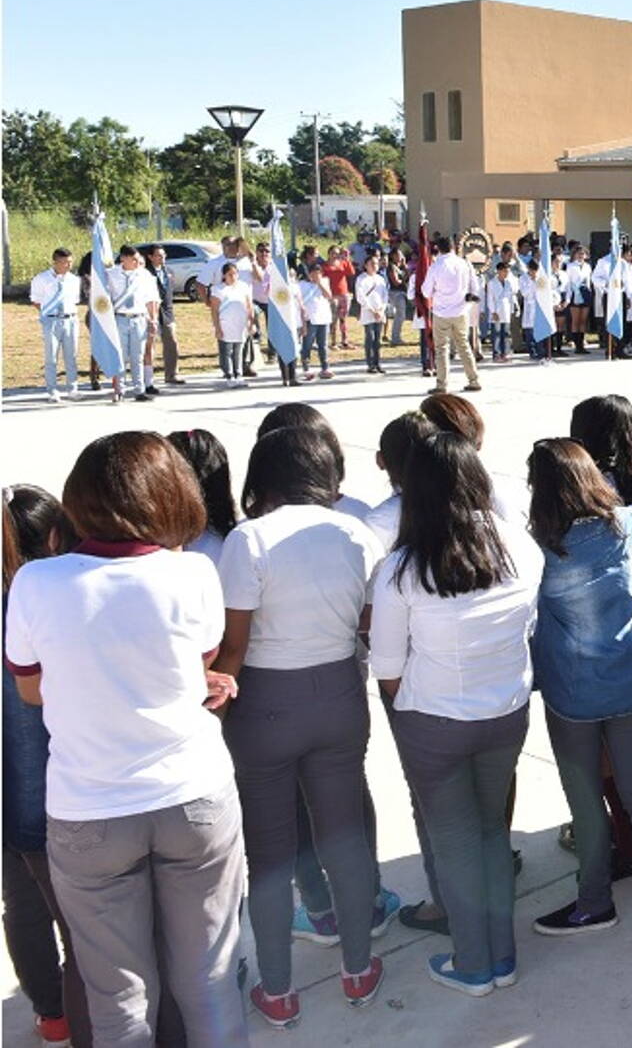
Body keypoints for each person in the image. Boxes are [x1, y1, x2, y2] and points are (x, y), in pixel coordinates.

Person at [5, 432, 250, 1045]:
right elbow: (189, 665)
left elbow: (31, 692)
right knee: (210, 976)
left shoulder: (36, 584)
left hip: (88, 812)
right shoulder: (193, 572)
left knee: (118, 996)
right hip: (193, 798)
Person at [214, 426, 386, 1026]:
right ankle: (359, 969)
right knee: (344, 836)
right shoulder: (356, 532)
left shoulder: (248, 538)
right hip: (339, 692)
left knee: (270, 854)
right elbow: (370, 622)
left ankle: (280, 990)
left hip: (264, 700)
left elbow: (234, 646)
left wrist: (216, 714)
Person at [369, 432, 542, 996]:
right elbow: (528, 628)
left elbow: (388, 669)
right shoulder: (521, 545)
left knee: (456, 842)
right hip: (506, 711)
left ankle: (473, 964)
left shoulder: (402, 567)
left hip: (434, 722)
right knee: (492, 833)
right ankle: (503, 957)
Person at [525, 439, 632, 937]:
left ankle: (594, 902)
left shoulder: (543, 548)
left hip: (574, 692)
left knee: (586, 797)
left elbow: (527, 620)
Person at [3, 485, 84, 1048]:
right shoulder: (63, 601)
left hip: (8, 804)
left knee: (23, 908)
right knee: (86, 921)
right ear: (57, 536)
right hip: (69, 795)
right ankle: (87, 1016)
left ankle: (53, 1014)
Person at [423, 235, 482, 393]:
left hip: (441, 312)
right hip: (461, 310)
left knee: (442, 348)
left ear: (438, 249)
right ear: (453, 247)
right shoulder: (463, 263)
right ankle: (473, 379)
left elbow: (426, 291)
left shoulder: (436, 266)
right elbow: (473, 286)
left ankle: (442, 384)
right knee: (464, 345)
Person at [106, 244, 160, 402]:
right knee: (120, 356)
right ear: (123, 258)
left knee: (138, 355)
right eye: (133, 259)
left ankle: (139, 389)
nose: (137, 263)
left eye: (138, 260)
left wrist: (153, 319)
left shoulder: (144, 275)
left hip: (139, 317)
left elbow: (151, 299)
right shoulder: (111, 274)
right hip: (120, 317)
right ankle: (119, 389)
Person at [30, 248, 81, 402]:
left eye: (70, 262)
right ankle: (52, 390)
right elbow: (36, 300)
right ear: (56, 262)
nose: (68, 265)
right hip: (51, 320)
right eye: (65, 262)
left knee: (71, 356)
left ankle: (73, 388)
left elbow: (75, 300)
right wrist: (48, 313)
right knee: (51, 357)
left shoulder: (73, 279)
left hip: (70, 319)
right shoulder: (42, 278)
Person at [142, 245, 181, 388]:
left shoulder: (169, 271)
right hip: (150, 312)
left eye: (164, 255)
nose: (162, 258)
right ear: (150, 257)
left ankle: (172, 374)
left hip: (167, 313)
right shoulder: (145, 273)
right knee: (148, 345)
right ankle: (146, 377)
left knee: (172, 342)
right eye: (158, 255)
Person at [297, 263, 335, 381]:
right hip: (310, 318)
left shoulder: (325, 281)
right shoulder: (302, 285)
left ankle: (325, 367)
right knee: (307, 344)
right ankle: (306, 368)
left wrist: (319, 283)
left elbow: (329, 296)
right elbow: (301, 301)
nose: (316, 275)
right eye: (313, 273)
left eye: (318, 273)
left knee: (323, 345)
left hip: (323, 318)